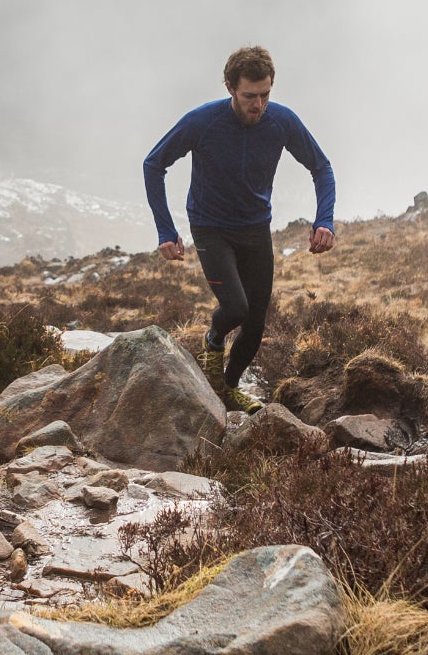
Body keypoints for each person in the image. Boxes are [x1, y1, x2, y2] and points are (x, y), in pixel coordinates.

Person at [144, 45, 336, 412]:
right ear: (230, 87)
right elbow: (154, 164)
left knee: (256, 322)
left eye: (265, 95)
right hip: (210, 227)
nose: (258, 105)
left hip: (255, 228)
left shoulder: (282, 121)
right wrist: (165, 231)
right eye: (250, 96)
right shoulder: (202, 122)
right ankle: (214, 341)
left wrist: (324, 220)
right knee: (235, 307)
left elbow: (321, 168)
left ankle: (227, 388)